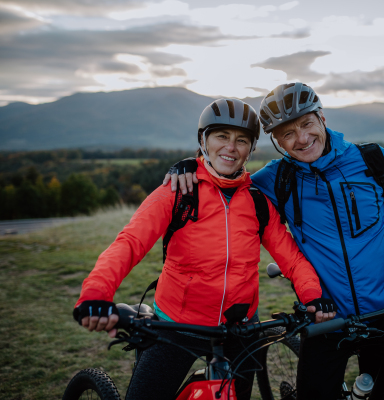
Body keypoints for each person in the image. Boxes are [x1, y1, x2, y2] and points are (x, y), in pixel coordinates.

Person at [165, 83, 384, 400]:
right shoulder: (276, 179)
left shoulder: (371, 160)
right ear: (276, 141)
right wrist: (193, 164)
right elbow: (227, 183)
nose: (301, 139)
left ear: (322, 118)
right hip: (324, 316)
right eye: (287, 133)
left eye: (306, 124)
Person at [72, 98, 336, 400]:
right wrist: (96, 294)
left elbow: (291, 258)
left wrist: (313, 296)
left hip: (240, 329)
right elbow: (129, 243)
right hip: (176, 326)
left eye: (241, 140)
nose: (231, 147)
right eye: (221, 136)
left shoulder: (257, 201)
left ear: (251, 149)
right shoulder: (178, 192)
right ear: (203, 141)